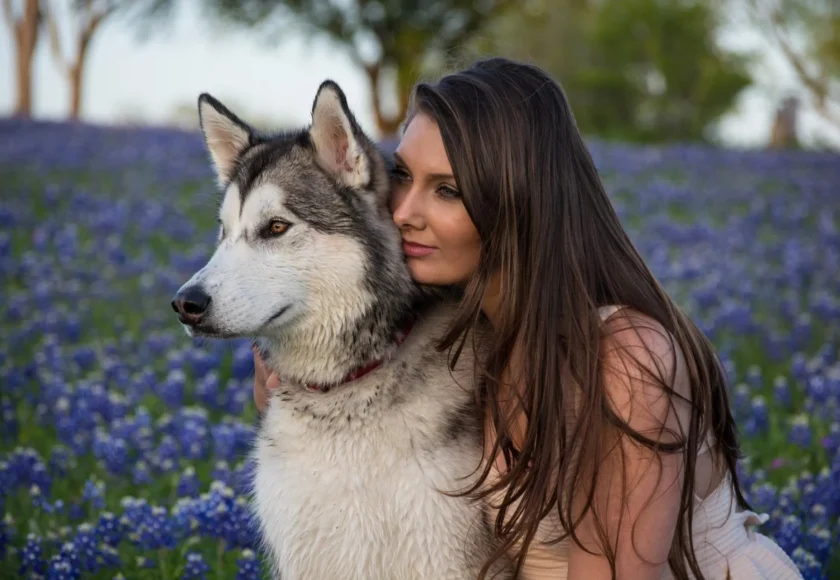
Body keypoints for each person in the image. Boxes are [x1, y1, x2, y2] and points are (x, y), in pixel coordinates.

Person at [252, 57, 801, 580]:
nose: (400, 213)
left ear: (515, 201)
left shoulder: (627, 359)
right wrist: (306, 389)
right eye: (402, 175)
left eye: (447, 190)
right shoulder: (466, 336)